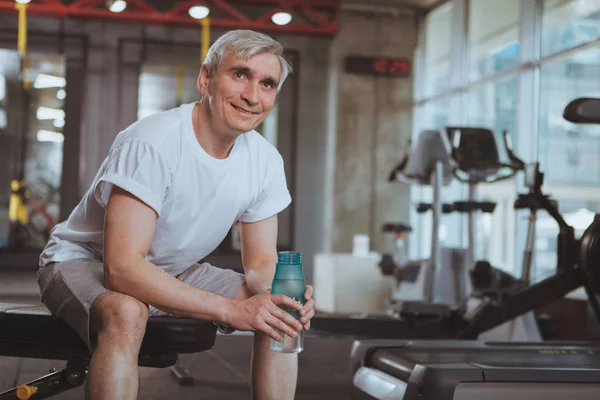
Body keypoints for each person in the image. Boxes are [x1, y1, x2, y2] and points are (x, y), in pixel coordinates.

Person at [37, 29, 314, 400]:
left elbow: (262, 261)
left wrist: (281, 293)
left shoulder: (265, 161)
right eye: (240, 75)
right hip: (84, 261)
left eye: (267, 84)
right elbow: (121, 269)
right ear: (206, 78)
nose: (252, 95)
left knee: (281, 310)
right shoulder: (154, 142)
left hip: (173, 268)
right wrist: (232, 311)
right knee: (126, 311)